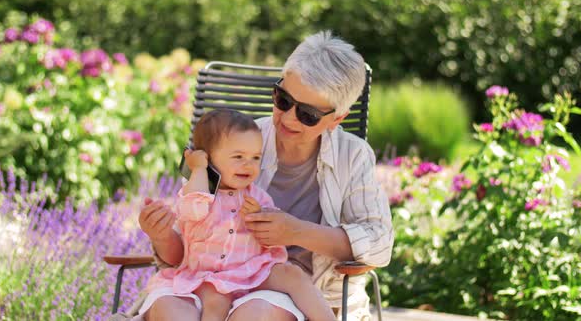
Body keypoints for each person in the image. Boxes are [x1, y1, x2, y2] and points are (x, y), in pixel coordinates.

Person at [136, 30, 394, 321]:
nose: (287, 118)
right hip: (208, 282)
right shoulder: (231, 145)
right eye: (283, 99)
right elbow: (185, 247)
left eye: (307, 115)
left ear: (337, 119)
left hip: (299, 290)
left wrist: (296, 232)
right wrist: (160, 236)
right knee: (169, 310)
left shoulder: (353, 155)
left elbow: (379, 242)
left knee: (255, 313)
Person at [137, 109, 336, 321]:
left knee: (293, 274)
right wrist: (199, 170)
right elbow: (192, 210)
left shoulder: (256, 196)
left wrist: (260, 217)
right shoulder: (199, 195)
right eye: (238, 156)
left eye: (255, 157)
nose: (248, 164)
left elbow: (274, 236)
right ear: (207, 158)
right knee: (215, 299)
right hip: (208, 275)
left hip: (254, 270)